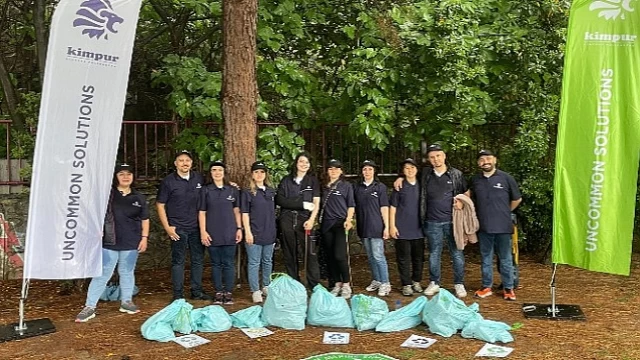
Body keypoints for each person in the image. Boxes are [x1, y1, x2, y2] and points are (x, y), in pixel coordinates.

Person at [75, 163, 149, 322]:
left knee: (127, 272)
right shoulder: (107, 195)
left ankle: (126, 302)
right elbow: (93, 214)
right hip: (110, 242)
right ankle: (90, 306)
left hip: (131, 243)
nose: (125, 177)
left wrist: (144, 238)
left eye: (129, 174)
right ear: (116, 177)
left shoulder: (139, 198)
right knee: (103, 274)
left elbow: (145, 219)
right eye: (121, 174)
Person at [467, 150, 522, 301]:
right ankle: (486, 287)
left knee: (505, 258)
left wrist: (505, 211)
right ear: (479, 163)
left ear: (495, 160)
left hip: (503, 227)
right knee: (486, 258)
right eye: (482, 159)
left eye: (488, 158)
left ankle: (508, 288)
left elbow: (517, 199)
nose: (486, 161)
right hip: (484, 227)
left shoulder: (506, 178)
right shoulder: (475, 180)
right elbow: (467, 197)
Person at [157, 150, 211, 302]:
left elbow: (216, 184)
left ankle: (196, 291)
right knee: (178, 262)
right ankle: (178, 295)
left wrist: (230, 184)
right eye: (181, 160)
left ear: (192, 163)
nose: (184, 163)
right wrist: (167, 227)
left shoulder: (199, 178)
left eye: (187, 160)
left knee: (198, 260)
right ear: (175, 163)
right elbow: (160, 205)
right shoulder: (168, 181)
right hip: (177, 228)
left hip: (196, 228)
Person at [419, 144, 468, 298]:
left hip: (453, 222)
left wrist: (462, 201)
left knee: (457, 253)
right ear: (429, 159)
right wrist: (399, 179)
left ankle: (459, 284)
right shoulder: (426, 174)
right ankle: (434, 282)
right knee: (434, 253)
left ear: (444, 156)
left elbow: (466, 192)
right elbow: (409, 176)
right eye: (432, 157)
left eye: (438, 156)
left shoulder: (456, 174)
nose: (436, 159)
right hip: (432, 222)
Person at [275, 151, 321, 289]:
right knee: (289, 252)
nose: (304, 164)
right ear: (296, 163)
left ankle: (313, 284)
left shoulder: (312, 181)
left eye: (307, 162)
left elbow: (316, 202)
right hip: (287, 219)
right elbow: (280, 200)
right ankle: (294, 283)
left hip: (305, 220)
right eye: (301, 161)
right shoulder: (286, 180)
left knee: (310, 252)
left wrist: (312, 219)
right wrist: (301, 204)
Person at [199, 160, 242, 305]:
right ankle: (218, 291)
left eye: (220, 170)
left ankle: (228, 292)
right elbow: (202, 212)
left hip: (229, 232)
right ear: (211, 173)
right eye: (214, 170)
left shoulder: (232, 190)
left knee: (229, 263)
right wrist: (203, 232)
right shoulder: (205, 190)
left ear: (224, 173)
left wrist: (239, 228)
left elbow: (237, 211)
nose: (217, 173)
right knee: (216, 263)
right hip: (212, 232)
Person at [354, 160, 391, 297]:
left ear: (374, 171)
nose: (367, 172)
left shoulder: (380, 187)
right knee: (370, 256)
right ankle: (377, 280)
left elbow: (384, 207)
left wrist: (387, 226)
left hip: (376, 227)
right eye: (365, 169)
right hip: (363, 226)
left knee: (378, 256)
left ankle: (386, 283)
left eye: (370, 169)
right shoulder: (357, 187)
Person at [241, 161, 277, 303]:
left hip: (269, 232)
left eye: (262, 172)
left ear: (265, 174)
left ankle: (266, 286)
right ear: (252, 174)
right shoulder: (248, 192)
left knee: (267, 261)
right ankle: (255, 290)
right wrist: (247, 232)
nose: (259, 174)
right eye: (256, 172)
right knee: (254, 262)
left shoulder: (270, 191)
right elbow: (244, 214)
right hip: (254, 232)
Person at [320, 159, 355, 299]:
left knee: (340, 255)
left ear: (341, 171)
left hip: (341, 224)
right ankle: (337, 283)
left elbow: (351, 205)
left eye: (336, 168)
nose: (333, 171)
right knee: (330, 257)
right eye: (330, 168)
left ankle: (346, 284)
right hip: (326, 224)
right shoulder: (323, 187)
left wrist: (348, 219)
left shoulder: (346, 186)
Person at [389, 158, 425, 296]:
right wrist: (392, 226)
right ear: (403, 171)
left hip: (419, 228)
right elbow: (393, 207)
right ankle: (406, 284)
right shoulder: (399, 186)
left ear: (417, 169)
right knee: (403, 258)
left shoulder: (422, 185)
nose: (410, 170)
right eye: (406, 168)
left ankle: (416, 281)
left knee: (418, 257)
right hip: (402, 228)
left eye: (412, 167)